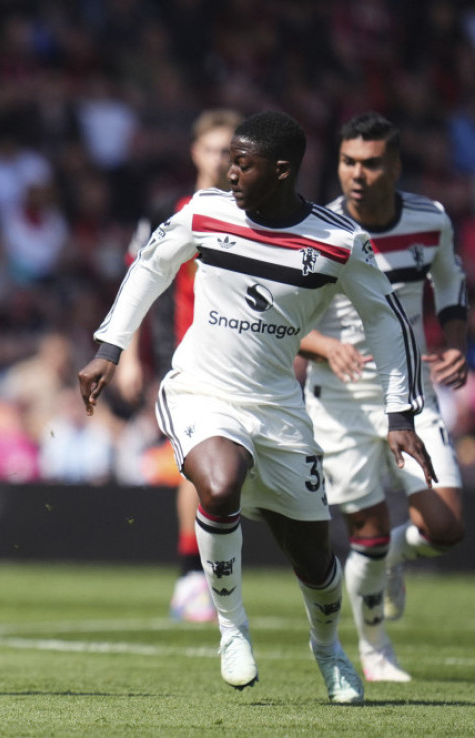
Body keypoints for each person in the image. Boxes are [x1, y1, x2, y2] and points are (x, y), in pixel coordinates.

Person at [78, 111, 436, 704]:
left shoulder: (338, 241)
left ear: (282, 170)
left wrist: (401, 414)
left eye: (243, 163)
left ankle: (328, 647)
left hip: (279, 409)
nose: (230, 172)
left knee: (315, 561)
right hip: (201, 389)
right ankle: (231, 628)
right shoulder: (206, 210)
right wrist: (108, 348)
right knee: (218, 486)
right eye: (229, 160)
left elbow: (387, 320)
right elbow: (151, 265)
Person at [299, 112, 467, 682]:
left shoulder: (430, 220)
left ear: (394, 167)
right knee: (365, 535)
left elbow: (451, 282)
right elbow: (278, 315)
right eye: (348, 162)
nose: (357, 174)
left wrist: (456, 342)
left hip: (411, 396)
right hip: (338, 400)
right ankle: (375, 649)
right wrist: (324, 344)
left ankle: (394, 558)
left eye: (371, 163)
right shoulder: (317, 229)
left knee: (446, 528)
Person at [116, 108, 243, 623]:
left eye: (228, 151)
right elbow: (138, 283)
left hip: (246, 360)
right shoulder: (168, 211)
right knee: (200, 461)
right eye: (211, 149)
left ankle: (209, 572)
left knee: (237, 472)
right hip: (185, 357)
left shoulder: (258, 213)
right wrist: (128, 355)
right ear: (195, 152)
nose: (219, 159)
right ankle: (192, 575)